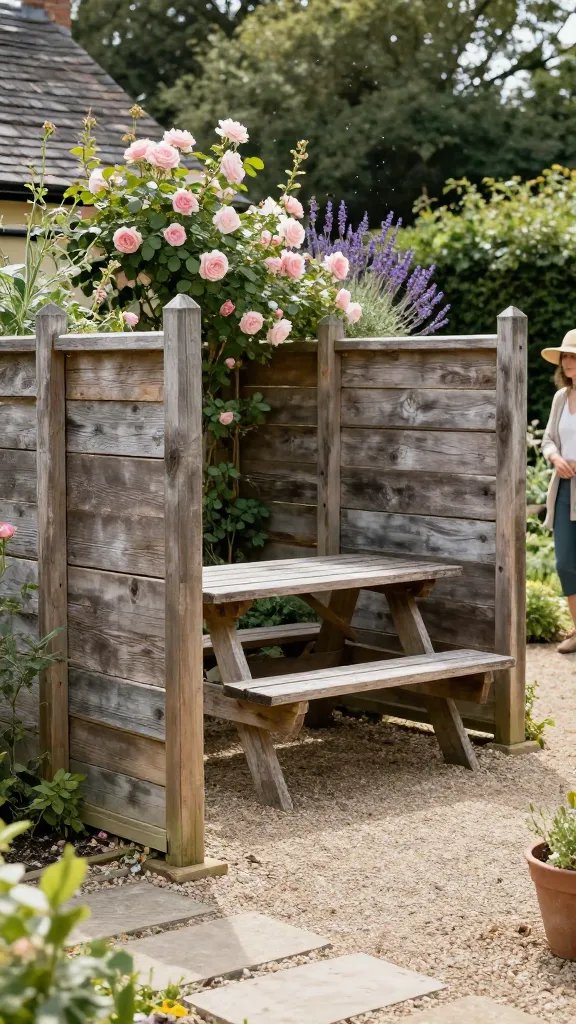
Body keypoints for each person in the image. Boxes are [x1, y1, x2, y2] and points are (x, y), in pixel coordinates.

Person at [541, 329, 576, 652]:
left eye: (573, 356)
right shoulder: (559, 399)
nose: (568, 361)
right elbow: (549, 438)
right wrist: (554, 457)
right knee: (565, 562)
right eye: (565, 356)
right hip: (564, 489)